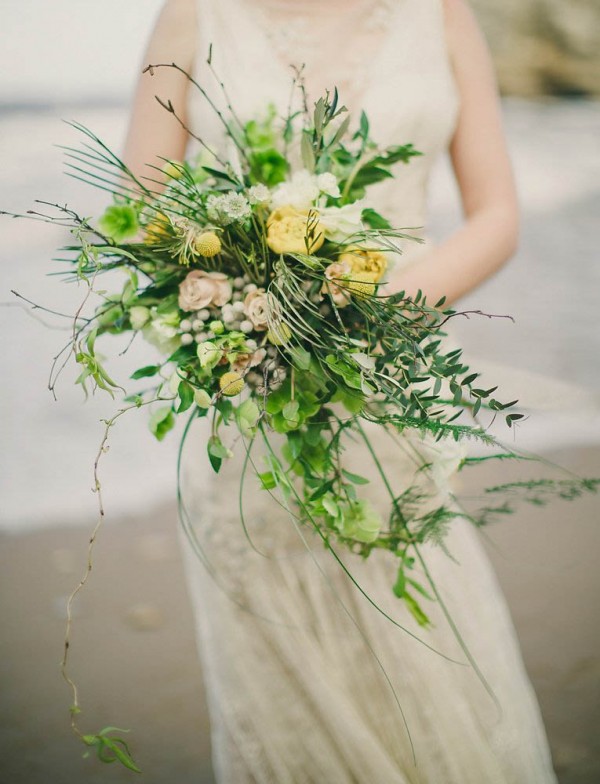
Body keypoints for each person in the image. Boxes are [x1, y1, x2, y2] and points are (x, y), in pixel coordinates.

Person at [123, 1, 559, 781]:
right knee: (284, 665)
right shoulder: (192, 14)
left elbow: (497, 215)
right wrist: (245, 305)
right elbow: (139, 213)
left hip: (396, 385)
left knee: (426, 628)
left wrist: (379, 315)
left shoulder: (443, 15)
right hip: (249, 389)